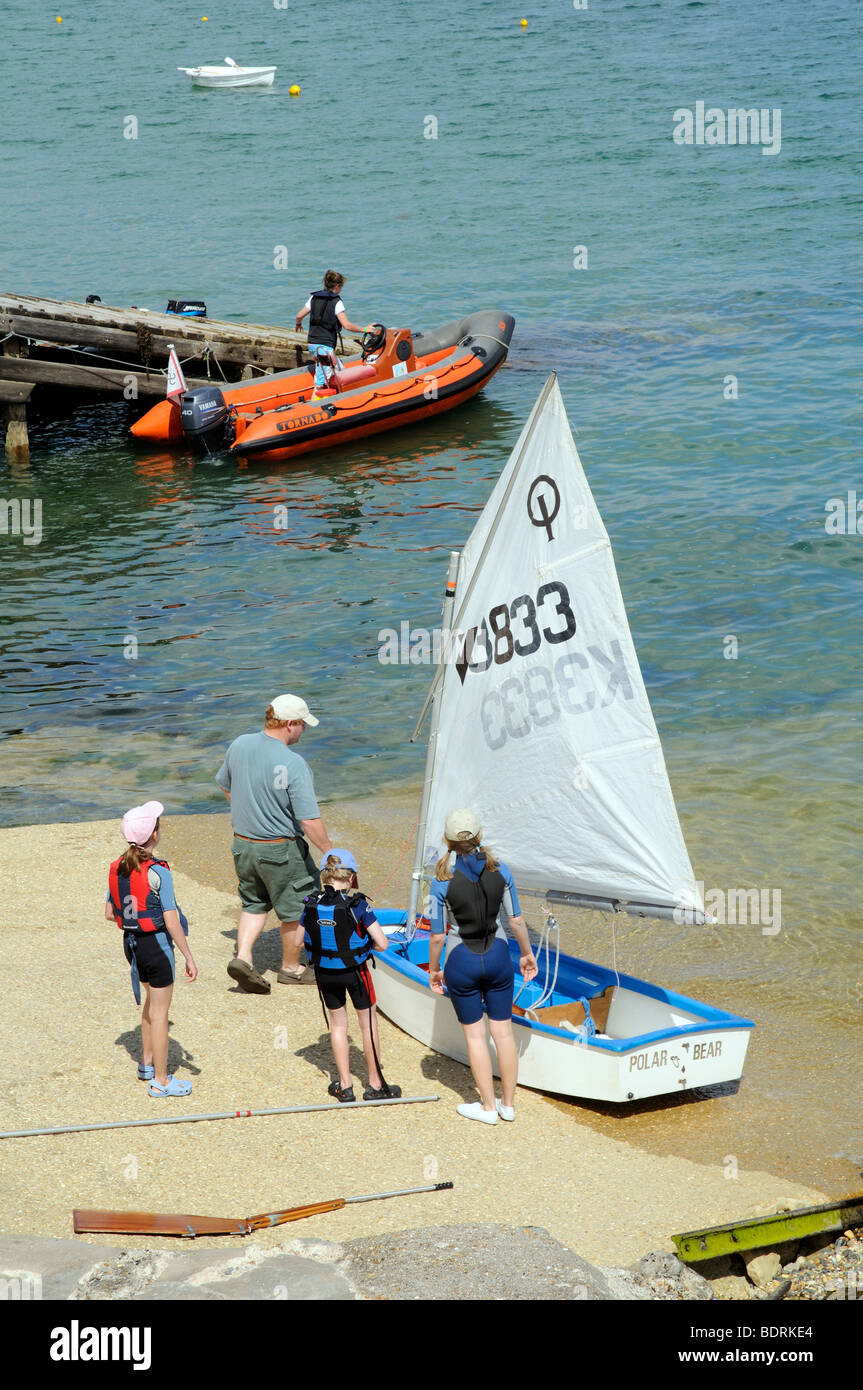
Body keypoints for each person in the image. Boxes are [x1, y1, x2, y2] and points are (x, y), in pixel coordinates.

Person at [216, 693, 334, 993]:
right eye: (303, 725)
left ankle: (243, 957)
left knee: (254, 903)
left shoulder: (240, 744)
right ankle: (291, 968)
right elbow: (308, 820)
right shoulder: (293, 763)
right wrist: (331, 853)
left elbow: (225, 785)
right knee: (300, 906)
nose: (304, 731)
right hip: (280, 849)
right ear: (290, 724)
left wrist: (250, 812)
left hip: (243, 844)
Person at [427, 809, 537, 1125]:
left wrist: (435, 969)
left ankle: (488, 1107)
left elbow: (437, 935)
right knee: (502, 1033)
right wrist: (527, 955)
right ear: (479, 836)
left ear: (447, 841)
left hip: (462, 961)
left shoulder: (440, 882)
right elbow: (515, 920)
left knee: (476, 1038)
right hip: (500, 958)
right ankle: (508, 1105)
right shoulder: (502, 872)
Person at [105, 801, 198, 1098]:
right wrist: (188, 955)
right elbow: (171, 921)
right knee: (160, 1013)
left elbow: (110, 913)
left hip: (131, 946)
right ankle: (161, 1079)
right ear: (154, 835)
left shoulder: (118, 866)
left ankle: (146, 1063)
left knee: (151, 1003)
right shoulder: (159, 872)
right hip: (157, 946)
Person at [301, 849, 401, 1103]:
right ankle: (375, 1084)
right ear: (352, 877)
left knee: (338, 1025)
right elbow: (382, 943)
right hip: (356, 973)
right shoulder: (358, 905)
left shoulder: (310, 902)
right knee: (367, 1024)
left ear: (325, 875)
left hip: (325, 972)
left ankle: (344, 1086)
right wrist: (362, 947)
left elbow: (296, 940)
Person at [294, 270, 373, 397]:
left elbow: (299, 315)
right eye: (341, 287)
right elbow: (347, 325)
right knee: (321, 382)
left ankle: (346, 395)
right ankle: (315, 405)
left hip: (312, 344)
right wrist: (365, 329)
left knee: (340, 370)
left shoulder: (314, 298)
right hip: (324, 347)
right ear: (337, 286)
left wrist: (298, 324)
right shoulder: (337, 302)